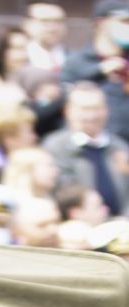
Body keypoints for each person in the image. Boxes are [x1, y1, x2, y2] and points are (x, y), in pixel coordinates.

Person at [45, 84, 129, 218]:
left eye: (97, 108)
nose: (91, 115)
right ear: (68, 111)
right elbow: (62, 193)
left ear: (107, 110)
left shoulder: (120, 147)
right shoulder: (56, 147)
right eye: (84, 109)